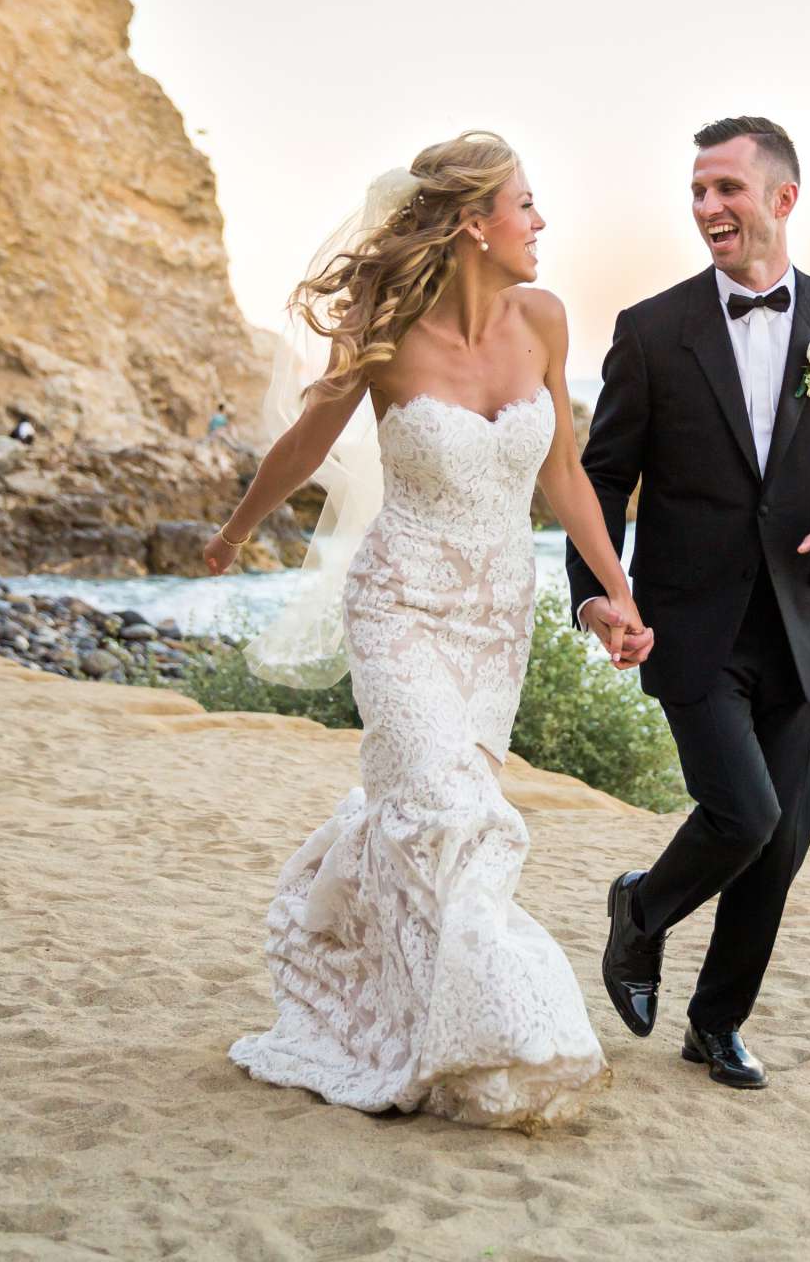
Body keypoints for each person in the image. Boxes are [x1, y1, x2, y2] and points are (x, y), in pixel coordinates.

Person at [199, 130, 640, 1130]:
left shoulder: (545, 321)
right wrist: (236, 529)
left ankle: (429, 1016)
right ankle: (506, 1038)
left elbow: (562, 471)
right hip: (399, 608)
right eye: (525, 205)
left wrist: (617, 591)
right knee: (453, 818)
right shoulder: (385, 329)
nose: (540, 224)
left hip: (496, 624)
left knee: (433, 817)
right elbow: (311, 437)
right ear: (473, 222)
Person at [566, 115, 810, 1090]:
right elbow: (602, 479)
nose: (708, 207)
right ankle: (640, 910)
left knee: (785, 838)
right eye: (698, 191)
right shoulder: (652, 329)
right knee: (745, 811)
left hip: (800, 624)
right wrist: (599, 595)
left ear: (783, 199)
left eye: (727, 189)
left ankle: (715, 1024)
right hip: (690, 620)